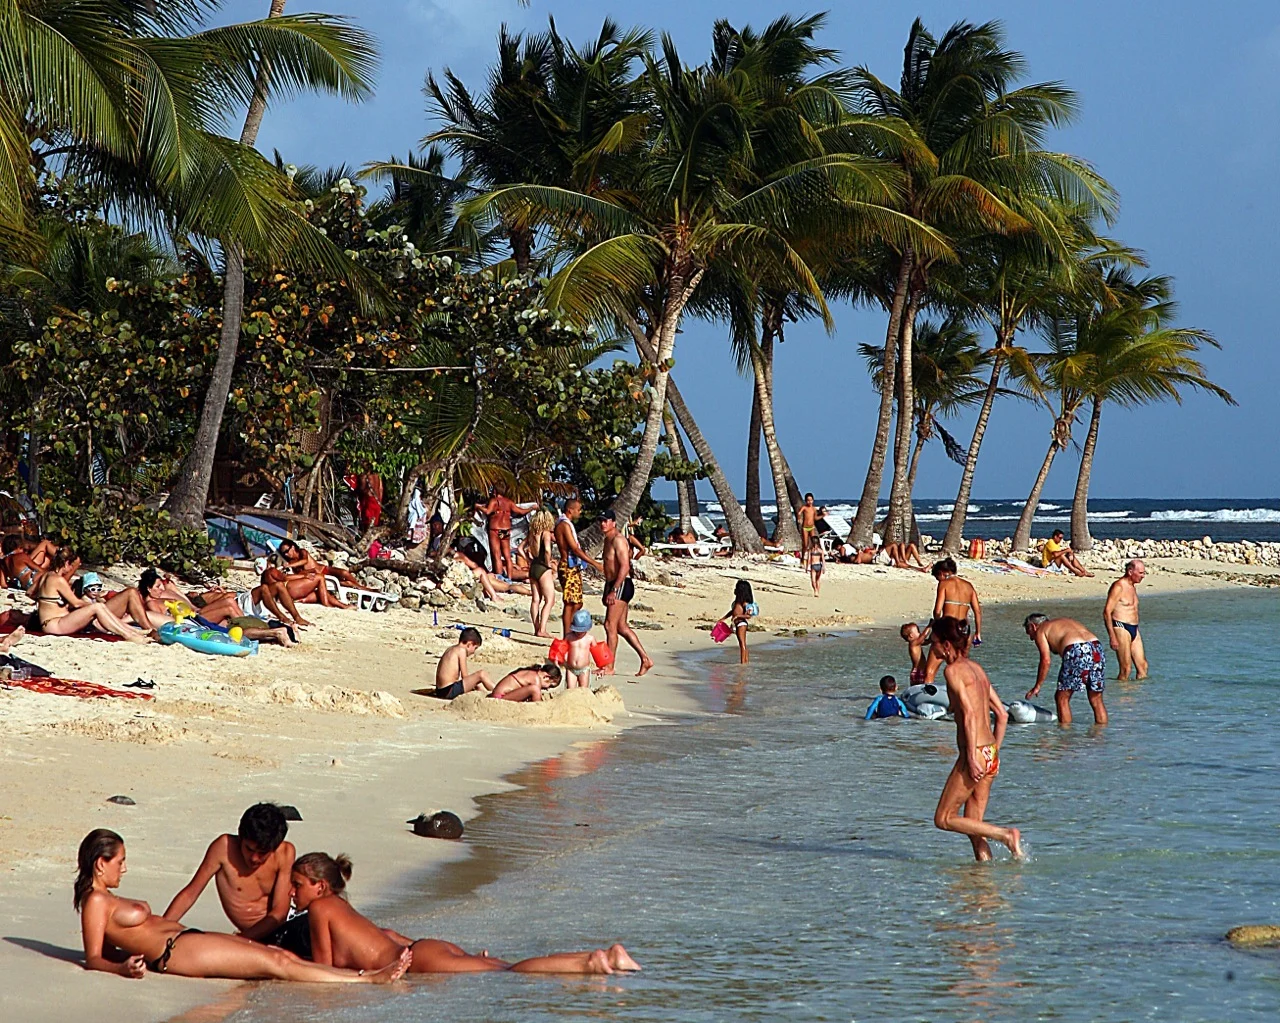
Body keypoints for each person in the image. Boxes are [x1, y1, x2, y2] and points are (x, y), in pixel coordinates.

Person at [74, 829, 410, 982]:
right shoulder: (96, 901)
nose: (124, 868)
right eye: (119, 861)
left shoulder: (106, 901)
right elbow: (94, 958)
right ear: (100, 863)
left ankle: (357, 976)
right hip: (176, 953)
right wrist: (121, 969)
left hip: (186, 941)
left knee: (281, 957)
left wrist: (126, 958)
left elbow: (112, 947)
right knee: (277, 963)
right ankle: (365, 980)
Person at [290, 851, 639, 974]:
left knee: (509, 973)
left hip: (418, 960)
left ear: (320, 887)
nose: (292, 892)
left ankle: (592, 962)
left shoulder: (320, 909)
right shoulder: (343, 908)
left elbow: (324, 970)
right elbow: (389, 935)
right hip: (424, 949)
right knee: (503, 967)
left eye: (297, 884)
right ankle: (604, 957)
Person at [929, 617, 1024, 861]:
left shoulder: (952, 671)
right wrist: (993, 753)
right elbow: (1002, 714)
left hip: (975, 753)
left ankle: (1005, 835)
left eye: (934, 642)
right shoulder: (977, 669)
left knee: (943, 818)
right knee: (973, 825)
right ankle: (983, 880)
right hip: (990, 752)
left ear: (947, 645)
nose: (932, 647)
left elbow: (970, 714)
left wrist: (972, 757)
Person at [164, 804, 309, 955]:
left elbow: (279, 912)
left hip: (284, 927)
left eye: (262, 853)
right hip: (260, 939)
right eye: (249, 849)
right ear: (240, 838)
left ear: (274, 848)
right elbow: (190, 893)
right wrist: (161, 927)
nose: (254, 858)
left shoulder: (284, 852)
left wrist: (241, 939)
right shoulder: (223, 848)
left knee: (314, 922)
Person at [30, 550, 152, 642]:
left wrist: (46, 601)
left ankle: (132, 631)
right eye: (71, 565)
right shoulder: (58, 580)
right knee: (97, 607)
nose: (71, 569)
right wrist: (89, 605)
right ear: (66, 563)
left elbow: (30, 592)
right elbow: (76, 603)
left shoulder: (45, 576)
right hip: (55, 624)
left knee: (99, 607)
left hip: (49, 622)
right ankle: (129, 634)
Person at [1023, 613, 1108, 725]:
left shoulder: (1041, 630)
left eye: (1029, 633)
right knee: (1096, 698)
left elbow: (1046, 660)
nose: (1031, 638)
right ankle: (1101, 733)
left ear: (1033, 626)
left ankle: (1065, 733)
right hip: (1096, 647)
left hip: (1076, 649)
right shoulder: (1063, 622)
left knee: (1062, 698)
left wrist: (1037, 686)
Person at [600, 510, 653, 676]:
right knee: (621, 627)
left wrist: (614, 589)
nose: (602, 524)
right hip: (613, 583)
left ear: (614, 523)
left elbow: (625, 566)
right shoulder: (607, 539)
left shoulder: (618, 540)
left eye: (606, 521)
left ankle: (609, 666)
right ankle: (645, 659)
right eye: (601, 521)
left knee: (610, 625)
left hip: (621, 584)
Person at [925, 559, 982, 682]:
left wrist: (936, 626)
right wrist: (978, 633)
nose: (938, 580)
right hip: (963, 631)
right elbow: (977, 611)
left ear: (941, 573)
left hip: (947, 629)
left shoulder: (944, 584)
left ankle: (928, 691)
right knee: (960, 669)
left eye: (937, 577)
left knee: (930, 671)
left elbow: (937, 611)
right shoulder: (969, 586)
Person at [554, 499, 601, 636]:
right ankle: (567, 635)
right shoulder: (564, 525)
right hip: (567, 567)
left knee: (577, 603)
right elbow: (574, 548)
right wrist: (594, 563)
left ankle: (570, 631)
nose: (580, 512)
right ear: (570, 510)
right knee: (570, 603)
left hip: (572, 566)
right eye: (578, 510)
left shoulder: (565, 523)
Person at [477, 486, 537, 580]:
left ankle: (499, 577)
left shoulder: (494, 501)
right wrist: (531, 508)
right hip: (505, 530)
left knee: (496, 554)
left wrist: (478, 507)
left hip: (495, 530)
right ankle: (509, 577)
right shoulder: (509, 502)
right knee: (507, 555)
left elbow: (488, 511)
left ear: (495, 491)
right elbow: (521, 511)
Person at [1104, 559, 1148, 680]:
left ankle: (1139, 691)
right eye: (1140, 573)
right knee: (1126, 669)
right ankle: (1122, 691)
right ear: (1130, 572)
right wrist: (1112, 636)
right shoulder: (1118, 586)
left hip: (1134, 628)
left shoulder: (1132, 586)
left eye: (1144, 573)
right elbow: (1107, 612)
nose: (1143, 576)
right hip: (1121, 627)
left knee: (1143, 666)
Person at [277, 540, 352, 609]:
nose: (286, 554)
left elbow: (305, 561)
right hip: (315, 577)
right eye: (284, 553)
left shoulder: (301, 552)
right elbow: (298, 574)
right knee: (323, 587)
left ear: (293, 547)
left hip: (322, 570)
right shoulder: (291, 562)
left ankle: (356, 588)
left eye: (287, 551)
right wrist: (307, 572)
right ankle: (332, 605)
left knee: (344, 573)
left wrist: (290, 566)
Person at [523, 509, 558, 638]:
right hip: (543, 567)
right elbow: (547, 550)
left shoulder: (532, 533)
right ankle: (542, 629)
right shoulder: (546, 533)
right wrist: (548, 564)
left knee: (536, 600)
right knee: (550, 600)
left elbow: (520, 549)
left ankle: (536, 627)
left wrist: (529, 560)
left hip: (534, 566)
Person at [432, 628, 493, 699]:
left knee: (478, 685)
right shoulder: (461, 651)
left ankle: (489, 695)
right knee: (481, 674)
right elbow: (465, 676)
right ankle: (497, 693)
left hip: (440, 690)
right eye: (475, 648)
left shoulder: (451, 649)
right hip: (448, 690)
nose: (473, 652)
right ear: (469, 644)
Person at [719, 579, 755, 665]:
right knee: (742, 644)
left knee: (742, 644)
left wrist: (738, 616)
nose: (734, 590)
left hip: (741, 624)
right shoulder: (737, 602)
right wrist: (723, 618)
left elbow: (749, 616)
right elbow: (732, 612)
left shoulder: (744, 603)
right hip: (737, 624)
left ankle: (743, 663)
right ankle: (745, 661)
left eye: (736, 588)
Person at [563, 609, 598, 688]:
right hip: (571, 669)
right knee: (570, 690)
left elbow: (598, 654)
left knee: (583, 690)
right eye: (577, 630)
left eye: (581, 631)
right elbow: (562, 649)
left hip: (584, 669)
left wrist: (602, 667)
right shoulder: (569, 637)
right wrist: (559, 659)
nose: (579, 633)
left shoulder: (590, 638)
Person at [489, 663, 562, 701]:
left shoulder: (530, 672)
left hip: (499, 695)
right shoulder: (535, 678)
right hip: (500, 697)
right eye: (550, 685)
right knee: (535, 689)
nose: (547, 689)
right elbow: (537, 698)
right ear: (546, 677)